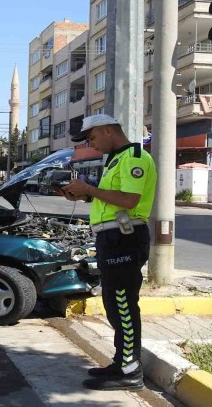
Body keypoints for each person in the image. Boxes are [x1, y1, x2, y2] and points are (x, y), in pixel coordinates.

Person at [61, 114, 157, 391]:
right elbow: (114, 198)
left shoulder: (134, 156)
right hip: (112, 238)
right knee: (114, 304)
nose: (91, 145)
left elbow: (129, 200)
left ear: (108, 131)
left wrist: (89, 188)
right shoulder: (116, 159)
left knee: (123, 304)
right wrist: (84, 195)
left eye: (92, 138)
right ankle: (121, 362)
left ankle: (130, 371)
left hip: (124, 238)